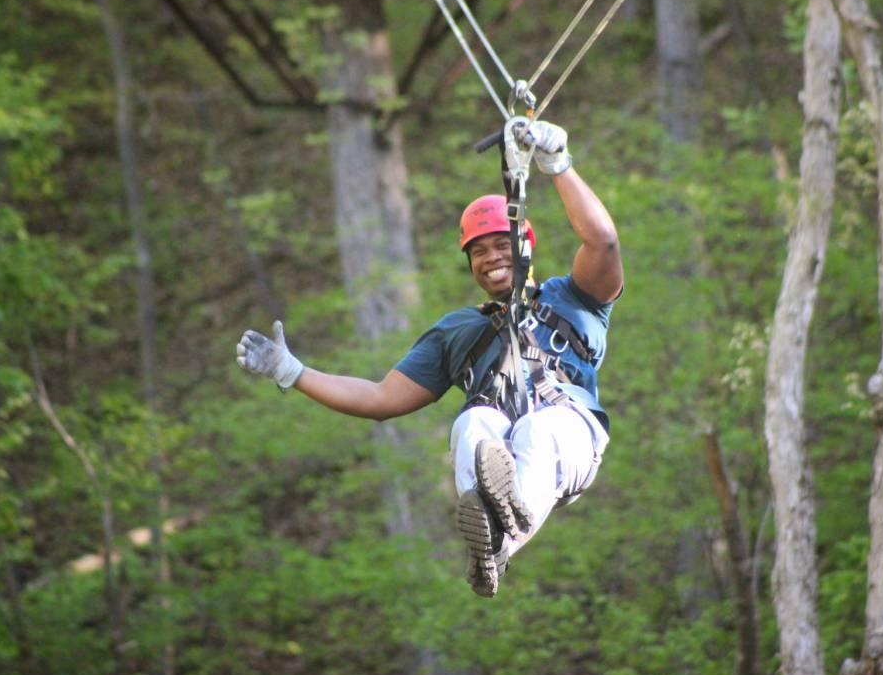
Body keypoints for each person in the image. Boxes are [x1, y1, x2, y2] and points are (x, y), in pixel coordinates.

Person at [236, 120, 622, 597]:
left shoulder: (575, 300)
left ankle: (502, 541)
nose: (490, 257)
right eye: (477, 251)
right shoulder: (457, 332)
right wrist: (293, 372)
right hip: (501, 442)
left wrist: (558, 164)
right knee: (473, 422)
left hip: (569, 435)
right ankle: (490, 538)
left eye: (502, 244)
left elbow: (602, 241)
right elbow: (379, 398)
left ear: (525, 246)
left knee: (537, 430)